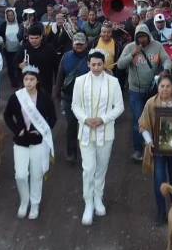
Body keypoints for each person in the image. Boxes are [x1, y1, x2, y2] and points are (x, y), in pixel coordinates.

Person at [71, 50, 124, 226]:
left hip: (105, 132)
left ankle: (98, 198)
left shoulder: (113, 82)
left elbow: (119, 107)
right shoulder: (79, 81)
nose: (96, 67)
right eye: (92, 64)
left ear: (104, 64)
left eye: (99, 64)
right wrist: (86, 119)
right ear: (88, 64)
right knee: (88, 169)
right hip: (85, 132)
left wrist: (103, 119)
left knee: (101, 168)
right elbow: (75, 105)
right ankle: (88, 202)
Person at [139, 76, 172, 224]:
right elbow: (143, 125)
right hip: (158, 149)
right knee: (159, 179)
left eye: (168, 86)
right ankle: (161, 212)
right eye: (162, 86)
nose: (164, 89)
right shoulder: (151, 103)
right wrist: (149, 142)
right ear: (158, 87)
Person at [4, 66, 57, 220]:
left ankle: (34, 203)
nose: (28, 82)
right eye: (26, 79)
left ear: (37, 81)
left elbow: (52, 118)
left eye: (32, 79)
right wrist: (16, 130)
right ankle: (24, 200)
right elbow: (7, 116)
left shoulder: (44, 97)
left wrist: (41, 131)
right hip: (20, 141)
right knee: (20, 175)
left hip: (38, 142)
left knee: (36, 175)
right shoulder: (16, 97)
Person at [117, 24, 172, 162]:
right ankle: (138, 150)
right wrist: (132, 54)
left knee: (156, 118)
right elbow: (120, 65)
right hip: (136, 91)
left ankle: (156, 147)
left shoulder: (157, 46)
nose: (142, 39)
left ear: (148, 35)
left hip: (153, 89)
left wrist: (166, 69)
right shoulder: (130, 47)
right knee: (138, 121)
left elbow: (166, 59)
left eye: (144, 36)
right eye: (139, 37)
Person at [56, 32, 91, 163]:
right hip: (69, 97)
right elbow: (60, 76)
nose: (79, 46)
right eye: (77, 44)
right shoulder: (66, 56)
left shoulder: (91, 57)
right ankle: (71, 152)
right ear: (72, 44)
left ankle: (87, 153)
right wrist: (57, 95)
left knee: (86, 126)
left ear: (86, 44)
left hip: (87, 98)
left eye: (81, 44)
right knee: (71, 125)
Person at [15, 23, 58, 95]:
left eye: (36, 38)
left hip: (45, 83)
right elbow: (15, 62)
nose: (34, 41)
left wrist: (57, 83)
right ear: (28, 37)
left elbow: (56, 65)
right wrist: (20, 65)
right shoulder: (24, 48)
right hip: (29, 83)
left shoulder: (49, 48)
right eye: (31, 38)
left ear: (41, 37)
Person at [0, 7, 22, 88]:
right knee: (10, 66)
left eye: (12, 15)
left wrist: (22, 41)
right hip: (8, 49)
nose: (10, 17)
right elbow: (0, 34)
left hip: (18, 49)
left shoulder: (19, 24)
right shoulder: (4, 25)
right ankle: (13, 82)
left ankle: (19, 80)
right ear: (6, 16)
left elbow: (22, 34)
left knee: (18, 65)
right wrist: (0, 40)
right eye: (8, 15)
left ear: (14, 15)